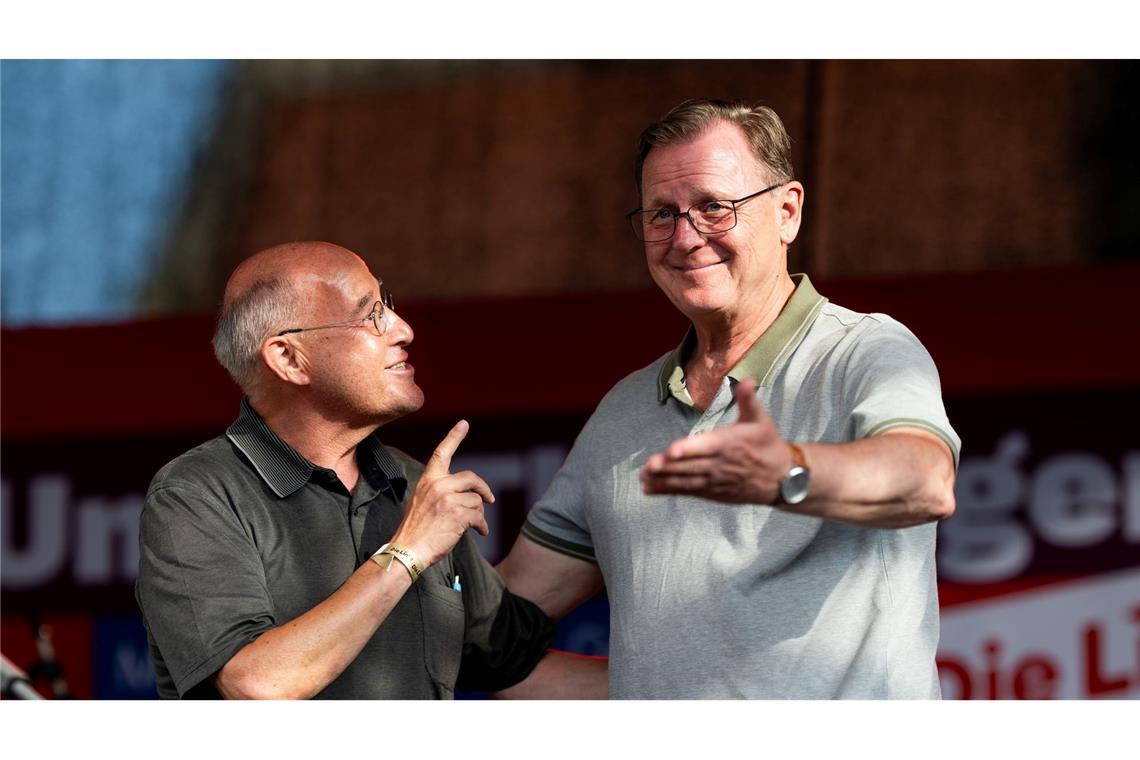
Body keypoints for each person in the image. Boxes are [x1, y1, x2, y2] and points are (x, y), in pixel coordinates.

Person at [498, 99, 960, 699]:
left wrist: (788, 473)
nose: (685, 238)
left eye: (714, 207)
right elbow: (502, 618)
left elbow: (925, 480)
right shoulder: (625, 410)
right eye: (662, 214)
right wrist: (398, 562)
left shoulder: (865, 350)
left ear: (787, 211)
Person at [136, 241, 604, 699]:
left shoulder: (417, 487)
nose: (403, 329)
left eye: (389, 306)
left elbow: (515, 671)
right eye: (371, 314)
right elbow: (257, 684)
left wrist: (671, 690)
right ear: (288, 359)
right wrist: (409, 550)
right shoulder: (196, 493)